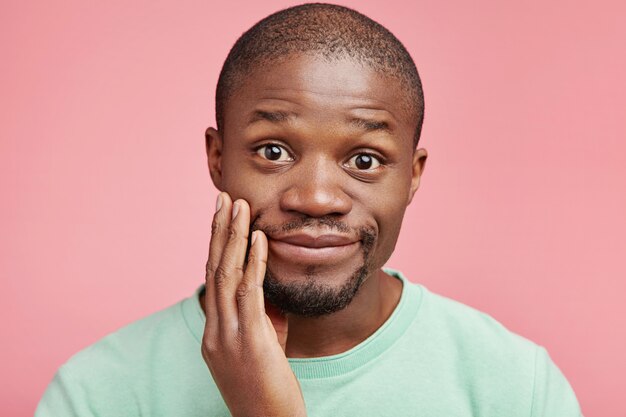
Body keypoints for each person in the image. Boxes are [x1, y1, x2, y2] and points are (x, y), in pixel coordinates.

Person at [36, 3, 583, 416]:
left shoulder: (516, 387)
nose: (317, 197)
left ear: (411, 177)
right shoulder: (94, 395)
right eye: (273, 152)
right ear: (218, 159)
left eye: (365, 160)